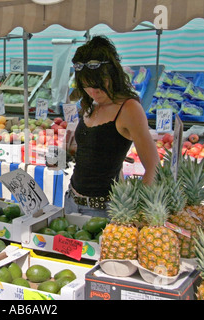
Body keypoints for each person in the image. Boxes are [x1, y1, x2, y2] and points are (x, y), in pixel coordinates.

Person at [64, 35, 159, 218]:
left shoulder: (129, 109)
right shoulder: (91, 104)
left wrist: (139, 212)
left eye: (99, 86)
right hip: (71, 201)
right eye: (86, 86)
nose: (93, 92)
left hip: (104, 210)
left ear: (112, 75)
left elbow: (153, 165)